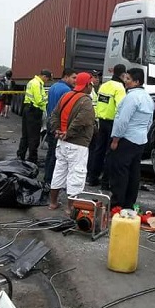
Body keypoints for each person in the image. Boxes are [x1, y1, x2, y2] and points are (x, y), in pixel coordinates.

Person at [106, 68, 154, 209]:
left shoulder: (131, 97)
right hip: (140, 140)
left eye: (128, 79)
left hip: (126, 139)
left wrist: (115, 139)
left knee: (120, 172)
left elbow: (122, 120)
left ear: (136, 82)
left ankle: (117, 204)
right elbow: (149, 122)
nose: (125, 81)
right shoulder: (148, 98)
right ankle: (129, 204)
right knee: (134, 172)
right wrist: (143, 134)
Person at [48, 72, 96, 210]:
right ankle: (70, 208)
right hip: (77, 144)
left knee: (59, 171)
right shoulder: (85, 101)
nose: (92, 87)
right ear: (87, 85)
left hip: (62, 143)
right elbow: (82, 121)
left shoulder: (66, 95)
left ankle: (53, 203)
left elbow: (54, 115)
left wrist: (57, 130)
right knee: (76, 174)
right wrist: (68, 133)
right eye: (91, 84)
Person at [87, 64, 127, 188]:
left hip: (101, 121)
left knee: (98, 150)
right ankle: (105, 182)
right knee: (110, 153)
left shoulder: (104, 85)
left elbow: (100, 102)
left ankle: (92, 178)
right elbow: (121, 107)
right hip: (112, 122)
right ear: (123, 75)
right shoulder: (120, 87)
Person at [43, 69, 77, 184]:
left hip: (50, 122)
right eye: (73, 77)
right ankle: (51, 181)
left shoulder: (53, 86)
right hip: (58, 125)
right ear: (66, 77)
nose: (75, 80)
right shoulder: (67, 90)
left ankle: (46, 178)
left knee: (50, 153)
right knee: (56, 155)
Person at [17, 69, 51, 164]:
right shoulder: (37, 84)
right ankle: (32, 159)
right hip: (34, 111)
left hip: (27, 109)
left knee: (25, 135)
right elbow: (39, 100)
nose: (46, 81)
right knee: (34, 137)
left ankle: (21, 155)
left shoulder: (31, 82)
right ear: (44, 76)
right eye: (47, 79)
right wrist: (47, 99)